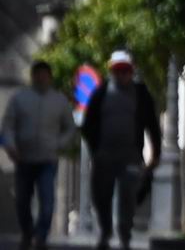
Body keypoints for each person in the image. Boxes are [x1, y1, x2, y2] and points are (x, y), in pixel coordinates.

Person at [76, 55, 155, 250]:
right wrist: (96, 149)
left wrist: (157, 151)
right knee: (101, 195)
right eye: (117, 70)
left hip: (130, 155)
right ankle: (105, 231)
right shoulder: (101, 92)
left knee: (128, 196)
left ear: (132, 71)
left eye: (125, 70)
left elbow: (152, 123)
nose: (122, 74)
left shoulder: (141, 93)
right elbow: (87, 125)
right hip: (105, 155)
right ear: (112, 71)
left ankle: (125, 233)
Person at [4, 62, 70, 250]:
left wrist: (59, 144)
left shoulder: (59, 101)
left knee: (47, 201)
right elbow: (8, 126)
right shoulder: (19, 99)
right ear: (32, 77)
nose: (41, 78)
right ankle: (27, 232)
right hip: (23, 158)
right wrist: (10, 145)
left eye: (45, 75)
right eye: (38, 74)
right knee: (22, 201)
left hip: (48, 160)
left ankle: (41, 236)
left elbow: (69, 129)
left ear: (50, 77)